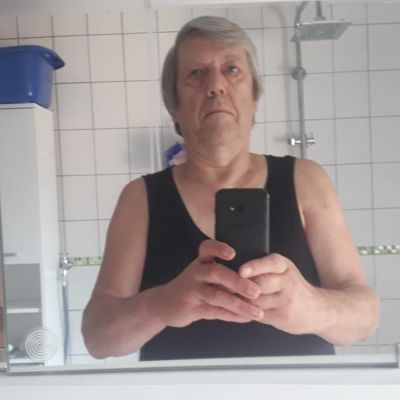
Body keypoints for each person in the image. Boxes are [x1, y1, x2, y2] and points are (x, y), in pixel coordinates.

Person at [82, 16, 379, 361]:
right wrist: (162, 304)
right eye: (196, 73)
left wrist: (311, 306)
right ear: (173, 108)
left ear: (254, 98)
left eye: (232, 69)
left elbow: (365, 318)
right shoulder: (140, 198)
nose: (216, 86)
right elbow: (97, 338)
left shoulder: (306, 180)